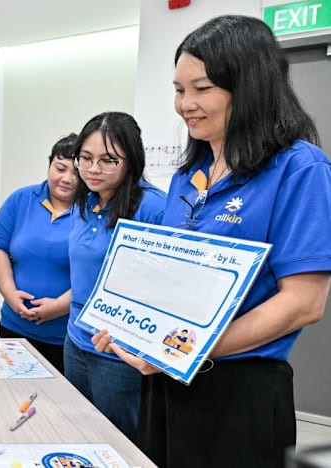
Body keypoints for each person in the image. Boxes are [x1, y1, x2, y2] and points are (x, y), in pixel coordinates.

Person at [93, 15, 331, 468]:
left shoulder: (299, 168)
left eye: (201, 88)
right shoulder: (187, 176)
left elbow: (303, 304)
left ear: (250, 85)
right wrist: (133, 327)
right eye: (179, 90)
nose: (185, 104)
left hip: (239, 389)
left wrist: (178, 352)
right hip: (168, 379)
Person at [64, 112, 166, 441]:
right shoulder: (85, 201)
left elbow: (167, 285)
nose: (93, 169)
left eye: (108, 160)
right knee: (79, 434)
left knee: (117, 443)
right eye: (86, 158)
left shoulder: (153, 208)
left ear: (131, 160)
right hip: (76, 339)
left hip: (117, 351)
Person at [0, 133, 78, 373]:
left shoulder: (93, 211)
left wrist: (58, 306)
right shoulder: (21, 199)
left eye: (76, 172)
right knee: (13, 400)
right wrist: (10, 294)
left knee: (58, 406)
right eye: (60, 168)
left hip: (66, 338)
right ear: (49, 165)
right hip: (15, 327)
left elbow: (97, 270)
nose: (67, 179)